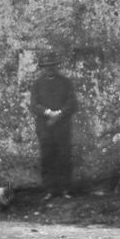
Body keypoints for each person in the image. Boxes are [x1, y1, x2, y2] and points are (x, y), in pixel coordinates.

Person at [30, 51, 77, 198]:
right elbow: (34, 105)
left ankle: (65, 189)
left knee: (64, 156)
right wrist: (48, 112)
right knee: (47, 157)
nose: (50, 68)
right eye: (47, 66)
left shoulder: (66, 82)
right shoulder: (37, 84)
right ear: (43, 67)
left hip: (63, 126)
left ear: (56, 66)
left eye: (52, 65)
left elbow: (72, 103)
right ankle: (49, 190)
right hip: (45, 127)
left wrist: (60, 113)